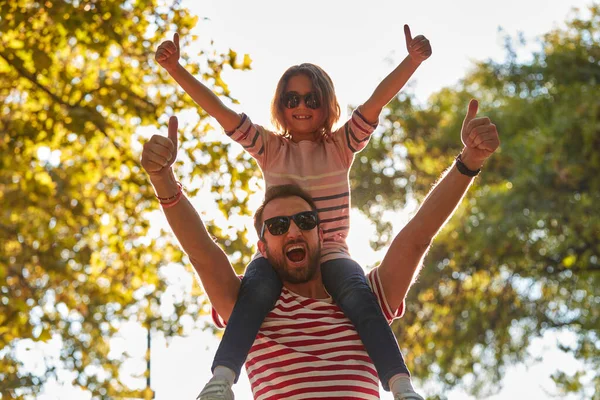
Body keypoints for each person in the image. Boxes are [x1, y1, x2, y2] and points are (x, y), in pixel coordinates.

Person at [140, 99, 500, 399]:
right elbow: (202, 252)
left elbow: (417, 236)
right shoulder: (249, 308)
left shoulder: (368, 298)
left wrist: (469, 161)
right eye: (279, 226)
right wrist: (162, 177)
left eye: (305, 221)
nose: (293, 230)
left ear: (322, 235)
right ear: (262, 247)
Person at [154, 24, 432, 399]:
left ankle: (401, 385)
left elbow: (375, 102)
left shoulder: (340, 146)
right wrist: (176, 70)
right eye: (292, 99)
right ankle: (221, 379)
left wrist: (411, 61)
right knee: (253, 297)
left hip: (331, 252)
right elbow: (220, 111)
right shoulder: (270, 148)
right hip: (276, 257)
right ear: (281, 106)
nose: (302, 107)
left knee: (362, 301)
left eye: (312, 99)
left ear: (327, 105)